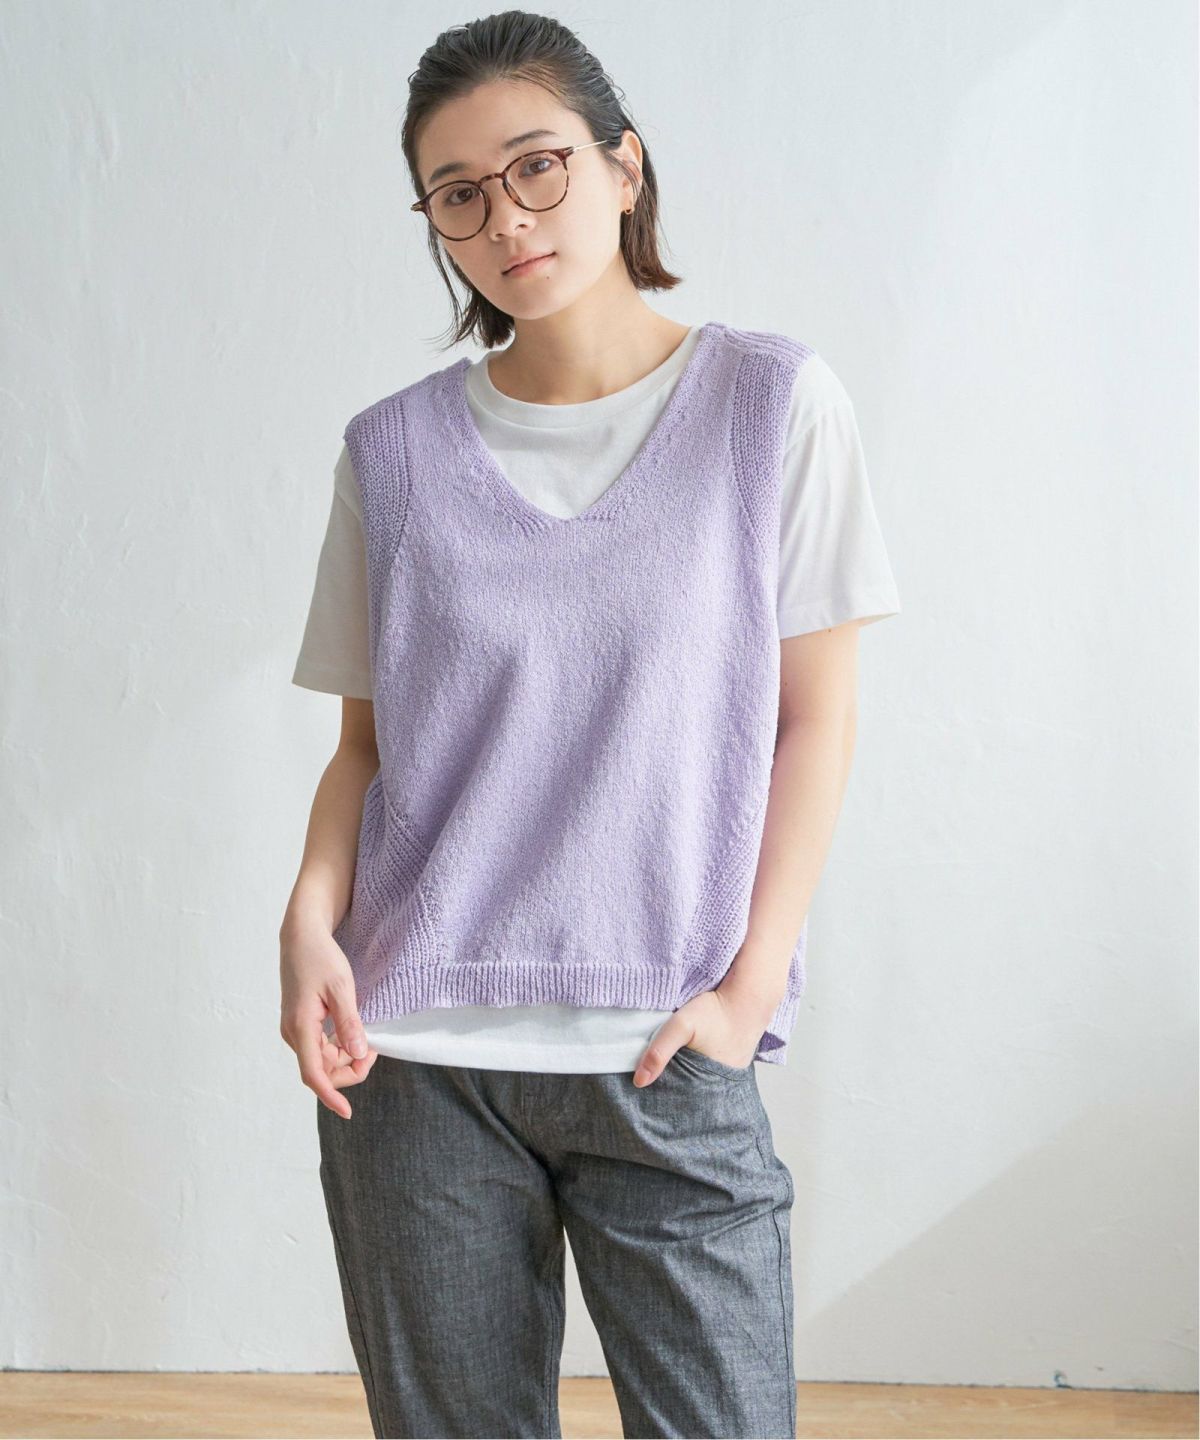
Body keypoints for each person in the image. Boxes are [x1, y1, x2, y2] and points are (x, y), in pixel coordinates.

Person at [279, 11, 900, 1439]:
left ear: (625, 166)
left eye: (538, 166)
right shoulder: (392, 453)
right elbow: (366, 749)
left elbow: (817, 723)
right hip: (415, 1052)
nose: (506, 218)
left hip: (667, 1042)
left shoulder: (772, 405)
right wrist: (307, 923)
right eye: (458, 194)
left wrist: (748, 992)